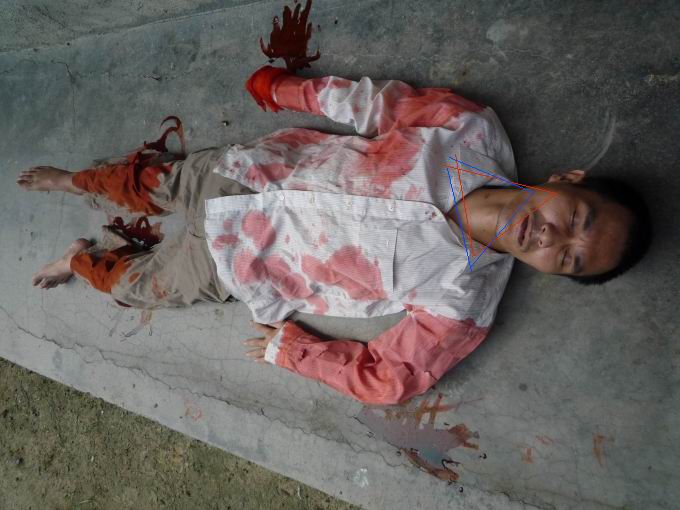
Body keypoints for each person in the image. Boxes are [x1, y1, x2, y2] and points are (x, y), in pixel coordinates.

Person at [16, 67, 652, 405]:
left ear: (550, 273)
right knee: (146, 182)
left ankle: (81, 262)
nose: (551, 238)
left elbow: (392, 379)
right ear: (567, 180)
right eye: (577, 219)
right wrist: (290, 89)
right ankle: (75, 182)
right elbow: (381, 105)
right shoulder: (470, 133)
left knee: (137, 286)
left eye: (567, 260)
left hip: (239, 265)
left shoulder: (462, 302)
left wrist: (294, 352)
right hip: (249, 172)